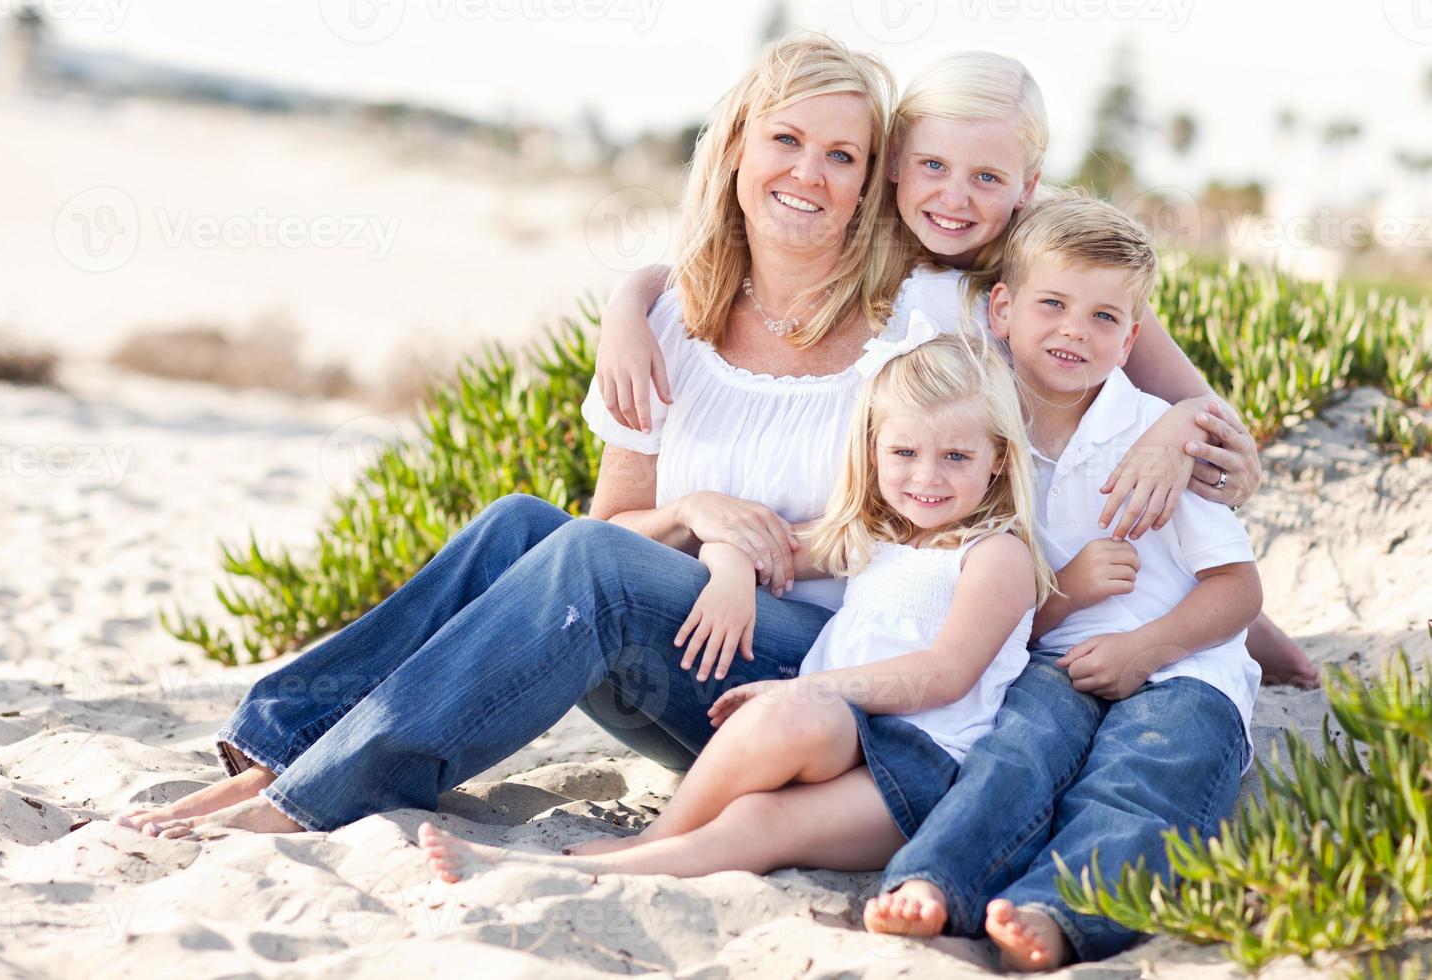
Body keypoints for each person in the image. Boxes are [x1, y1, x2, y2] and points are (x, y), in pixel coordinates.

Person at [113, 32, 937, 838]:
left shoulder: (906, 328)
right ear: (734, 153)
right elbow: (615, 523)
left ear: (869, 184)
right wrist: (695, 513)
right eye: (785, 140)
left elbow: (926, 529)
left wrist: (744, 546)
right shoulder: (669, 322)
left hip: (814, 681)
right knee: (520, 525)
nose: (808, 173)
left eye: (842, 155)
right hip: (685, 660)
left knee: (591, 564)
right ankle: (277, 754)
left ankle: (322, 795)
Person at [592, 50, 1316, 689]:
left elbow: (1196, 415)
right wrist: (629, 302)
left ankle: (1249, 626)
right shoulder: (875, 248)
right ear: (896, 163)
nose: (954, 198)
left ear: (1026, 187)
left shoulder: (1052, 264)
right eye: (932, 167)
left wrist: (1182, 429)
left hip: (1029, 526)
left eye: (987, 177)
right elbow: (727, 259)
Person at [419, 327, 1051, 881]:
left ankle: (616, 858)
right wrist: (727, 577)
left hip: (922, 765)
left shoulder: (995, 556)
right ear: (875, 450)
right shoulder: (871, 536)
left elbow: (945, 676)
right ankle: (655, 838)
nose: (927, 477)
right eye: (905, 453)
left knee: (760, 814)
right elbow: (744, 544)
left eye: (957, 457)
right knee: (792, 717)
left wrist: (808, 689)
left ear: (998, 461)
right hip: (841, 730)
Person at [868, 192, 1263, 971]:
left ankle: (1059, 910)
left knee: (1148, 772)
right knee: (1015, 755)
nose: (1074, 331)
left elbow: (1240, 592)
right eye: (1052, 304)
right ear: (1003, 310)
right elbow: (994, 600)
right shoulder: (980, 434)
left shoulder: (1154, 434)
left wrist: (1146, 648)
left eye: (1104, 318)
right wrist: (1067, 601)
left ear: (1130, 340)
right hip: (1050, 660)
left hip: (1184, 668)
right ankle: (935, 882)